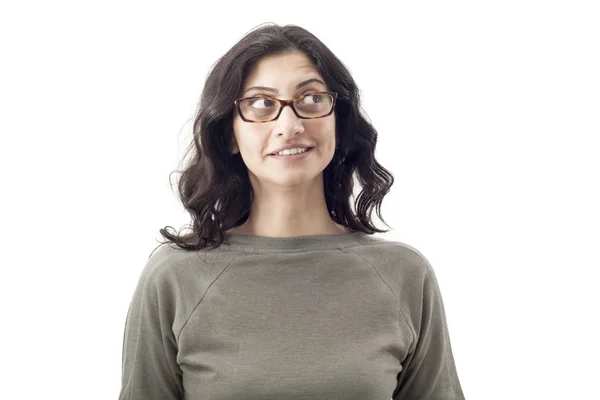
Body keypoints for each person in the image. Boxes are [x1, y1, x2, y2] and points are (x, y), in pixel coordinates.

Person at [118, 23, 466, 400]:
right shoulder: (175, 278)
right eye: (263, 103)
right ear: (229, 135)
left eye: (312, 98)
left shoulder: (404, 275)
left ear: (338, 120)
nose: (291, 125)